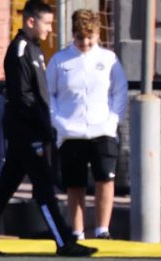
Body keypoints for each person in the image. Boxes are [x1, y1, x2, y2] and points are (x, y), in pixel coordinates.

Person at [0, 0, 96, 257]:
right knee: (44, 188)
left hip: (31, 130)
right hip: (26, 132)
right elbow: (23, 97)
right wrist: (40, 127)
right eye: (47, 23)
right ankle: (64, 242)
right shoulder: (20, 49)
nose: (50, 29)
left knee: (6, 186)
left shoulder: (35, 50)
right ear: (30, 21)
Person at [46, 9, 128, 241]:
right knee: (75, 184)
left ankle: (103, 229)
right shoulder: (60, 61)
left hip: (102, 129)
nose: (85, 42)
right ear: (73, 35)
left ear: (98, 35)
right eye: (80, 37)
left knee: (105, 179)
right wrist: (59, 123)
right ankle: (77, 231)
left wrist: (112, 120)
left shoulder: (108, 59)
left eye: (90, 37)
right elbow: (49, 95)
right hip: (71, 133)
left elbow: (119, 91)